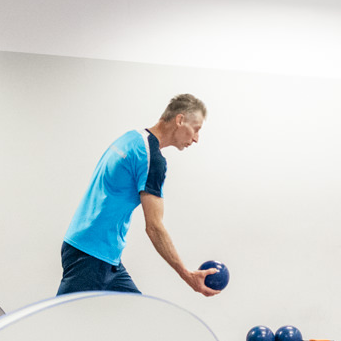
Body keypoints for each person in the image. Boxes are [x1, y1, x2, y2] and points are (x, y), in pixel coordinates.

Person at [58, 94, 220, 298]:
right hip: (92, 255)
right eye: (196, 129)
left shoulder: (131, 138)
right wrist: (187, 275)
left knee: (139, 312)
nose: (196, 138)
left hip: (99, 254)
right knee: (63, 317)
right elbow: (154, 227)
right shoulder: (152, 159)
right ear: (180, 120)